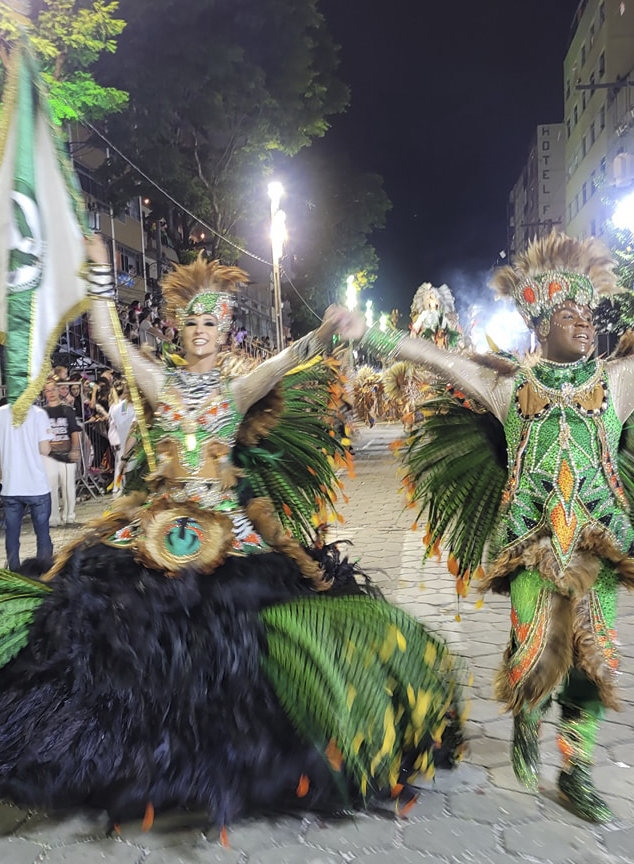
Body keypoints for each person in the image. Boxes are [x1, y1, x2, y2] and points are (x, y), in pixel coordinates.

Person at [0, 239, 465, 830]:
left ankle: (219, 758)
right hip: (156, 527)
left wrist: (327, 330)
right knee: (116, 619)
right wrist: (96, 272)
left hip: (230, 531)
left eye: (210, 323)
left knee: (239, 634)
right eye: (191, 321)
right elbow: (112, 342)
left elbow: (291, 356)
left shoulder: (234, 391)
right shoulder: (159, 383)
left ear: (225, 332)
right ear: (180, 328)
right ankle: (131, 751)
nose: (200, 330)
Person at [358, 232, 634, 823]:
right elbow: (435, 357)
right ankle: (527, 725)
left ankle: (577, 771)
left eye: (589, 314)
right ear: (540, 325)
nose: (585, 325)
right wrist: (366, 333)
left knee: (593, 663)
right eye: (569, 315)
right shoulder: (510, 386)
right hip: (532, 549)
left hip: (598, 549)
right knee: (535, 658)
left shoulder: (617, 383)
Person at [0, 401, 53, 571]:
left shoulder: (1, 413)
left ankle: (14, 573)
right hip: (36, 484)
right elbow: (45, 450)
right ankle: (42, 574)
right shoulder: (38, 413)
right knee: (42, 534)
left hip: (11, 484)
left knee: (12, 534)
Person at [41, 380, 82, 526]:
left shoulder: (67, 410)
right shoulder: (42, 412)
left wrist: (75, 449)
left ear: (58, 391)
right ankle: (54, 516)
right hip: (50, 453)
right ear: (44, 393)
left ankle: (69, 514)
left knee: (68, 485)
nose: (51, 393)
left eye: (53, 390)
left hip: (66, 452)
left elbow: (74, 430)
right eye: (47, 391)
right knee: (51, 485)